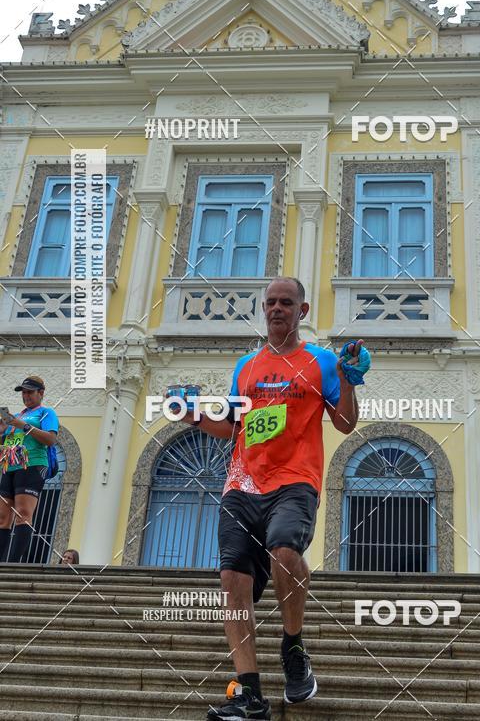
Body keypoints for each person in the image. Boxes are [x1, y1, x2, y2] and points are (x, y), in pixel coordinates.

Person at [178, 276, 370, 720]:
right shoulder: (245, 367)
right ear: (263, 309)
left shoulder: (321, 362)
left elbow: (344, 424)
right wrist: (196, 418)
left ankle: (293, 645)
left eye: (287, 302)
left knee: (285, 550)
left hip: (296, 479)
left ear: (302, 311)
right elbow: (235, 426)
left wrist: (349, 378)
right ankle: (250, 696)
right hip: (242, 483)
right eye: (270, 302)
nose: (277, 309)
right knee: (233, 581)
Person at [0, 376, 60, 563]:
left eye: (29, 392)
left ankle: (12, 563)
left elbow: (51, 440)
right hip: (9, 465)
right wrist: (3, 430)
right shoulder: (16, 417)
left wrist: (24, 426)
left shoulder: (46, 413)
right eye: (23, 392)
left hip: (32, 465)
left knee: (23, 514)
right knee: (2, 517)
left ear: (40, 393)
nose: (26, 395)